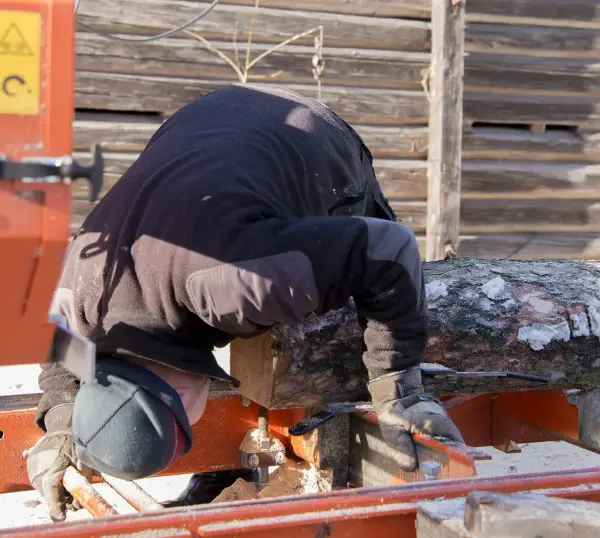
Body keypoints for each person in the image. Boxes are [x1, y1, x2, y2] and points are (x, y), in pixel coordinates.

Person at [26, 83, 464, 521]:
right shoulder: (78, 291)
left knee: (348, 247)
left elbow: (389, 251)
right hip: (208, 114)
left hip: (310, 132)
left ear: (179, 393)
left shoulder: (235, 284)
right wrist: (63, 425)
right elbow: (59, 345)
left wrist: (398, 389)